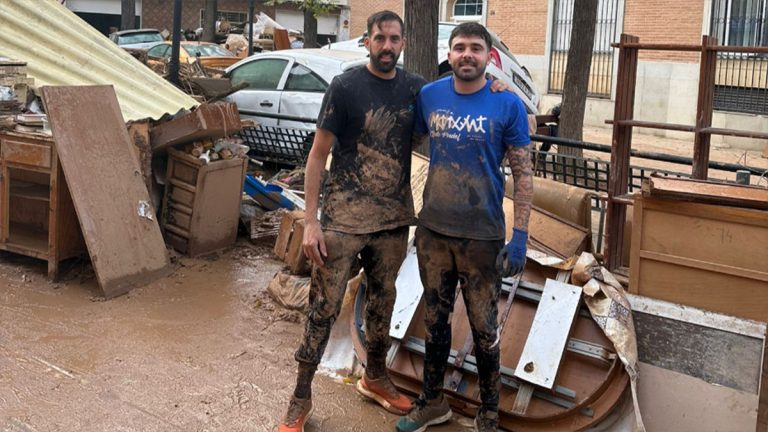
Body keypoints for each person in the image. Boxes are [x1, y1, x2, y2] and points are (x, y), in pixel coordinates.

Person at [277, 10, 425, 432]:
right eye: (380, 38)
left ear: (402, 43)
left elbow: (452, 104)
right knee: (321, 309)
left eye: (395, 39)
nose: (388, 46)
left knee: (383, 303)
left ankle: (374, 377)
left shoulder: (415, 88)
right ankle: (300, 398)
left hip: (393, 221)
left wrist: (493, 85)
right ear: (367, 41)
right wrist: (311, 221)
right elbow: (317, 155)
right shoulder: (345, 86)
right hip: (342, 221)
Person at [396, 22, 534, 432]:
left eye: (476, 48)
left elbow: (523, 175)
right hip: (434, 233)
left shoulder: (507, 105)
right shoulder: (429, 95)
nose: (467, 55)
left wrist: (521, 236)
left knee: (483, 326)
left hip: (482, 237)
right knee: (436, 322)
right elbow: (411, 141)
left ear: (489, 56)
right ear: (450, 54)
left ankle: (488, 410)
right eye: (460, 48)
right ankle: (432, 402)